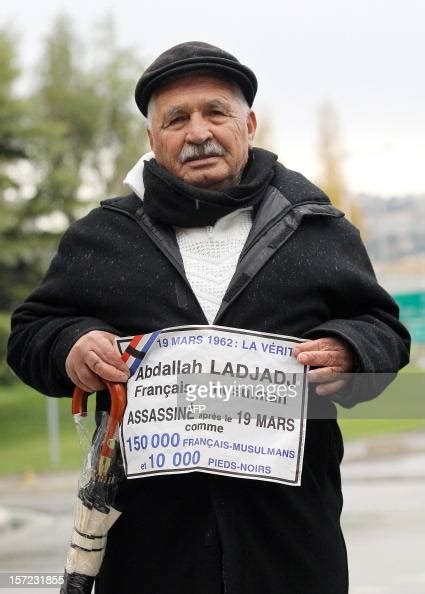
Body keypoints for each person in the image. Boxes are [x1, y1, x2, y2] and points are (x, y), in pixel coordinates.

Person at [7, 41, 410, 594]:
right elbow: (32, 332)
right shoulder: (102, 237)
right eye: (176, 118)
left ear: (248, 124)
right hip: (148, 551)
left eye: (215, 112)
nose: (198, 132)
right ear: (152, 139)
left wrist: (351, 350)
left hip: (289, 546)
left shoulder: (319, 227)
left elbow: (383, 329)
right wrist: (72, 346)